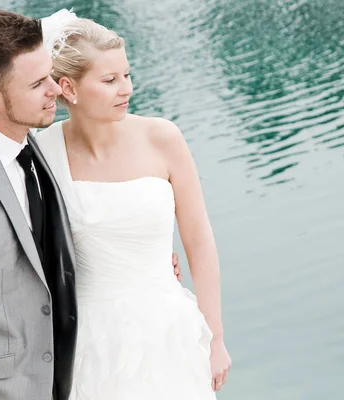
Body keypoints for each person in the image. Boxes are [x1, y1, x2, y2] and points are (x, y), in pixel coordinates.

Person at [0, 9, 182, 400]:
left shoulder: (35, 148)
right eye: (37, 84)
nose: (55, 89)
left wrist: (136, 257)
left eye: (50, 74)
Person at [34, 11, 231, 399]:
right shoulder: (42, 153)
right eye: (109, 80)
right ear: (68, 88)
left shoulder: (163, 137)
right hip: (87, 340)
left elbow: (199, 241)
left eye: (127, 74)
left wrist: (215, 338)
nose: (126, 88)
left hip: (167, 331)